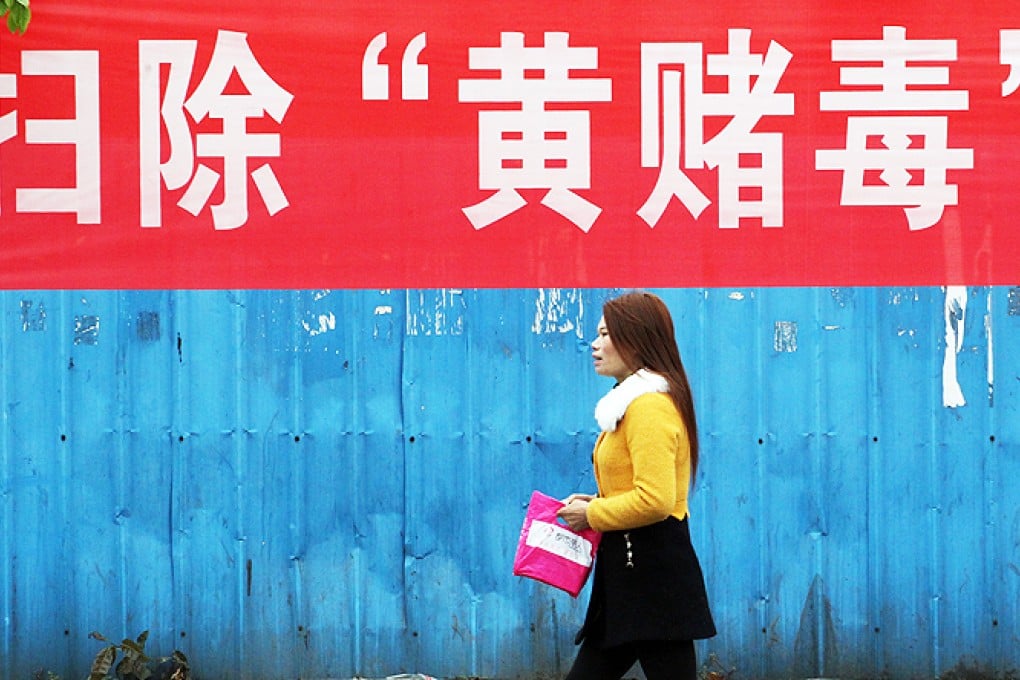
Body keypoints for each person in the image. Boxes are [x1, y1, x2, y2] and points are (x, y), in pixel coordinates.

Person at [556, 291, 716, 680]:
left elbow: (656, 499)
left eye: (607, 334)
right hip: (629, 574)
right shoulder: (629, 405)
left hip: (652, 576)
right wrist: (595, 501)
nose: (595, 344)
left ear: (636, 339)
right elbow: (639, 486)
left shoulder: (649, 406)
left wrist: (592, 514)